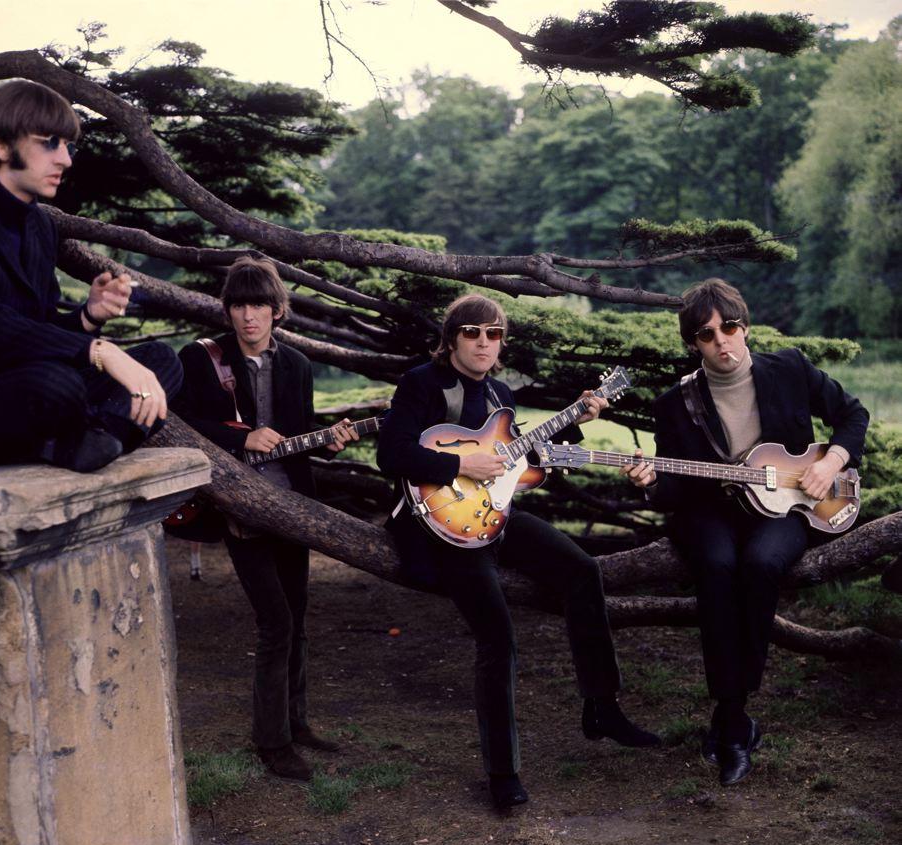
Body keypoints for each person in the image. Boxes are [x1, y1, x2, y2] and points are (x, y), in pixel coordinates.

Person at [377, 293, 659, 810]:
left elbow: (520, 464)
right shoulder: (422, 383)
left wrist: (577, 416)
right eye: (472, 333)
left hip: (495, 516)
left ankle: (601, 706)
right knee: (498, 637)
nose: (484, 342)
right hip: (444, 531)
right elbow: (390, 453)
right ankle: (503, 772)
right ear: (452, 338)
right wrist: (458, 469)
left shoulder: (500, 394)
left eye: (494, 334)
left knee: (581, 570)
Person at [622, 278, 868, 786]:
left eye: (729, 327)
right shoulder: (677, 404)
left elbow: (852, 415)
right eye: (707, 334)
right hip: (709, 510)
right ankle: (734, 721)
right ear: (694, 343)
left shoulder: (790, 370)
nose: (721, 341)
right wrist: (650, 481)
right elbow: (674, 490)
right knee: (716, 566)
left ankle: (731, 715)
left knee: (759, 565)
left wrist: (832, 463)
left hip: (791, 503)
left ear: (745, 327)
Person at [0, 79, 181, 475]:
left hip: (22, 383)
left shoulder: (40, 227)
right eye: (50, 142)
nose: (65, 159)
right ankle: (85, 437)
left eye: (68, 146)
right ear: (0, 145)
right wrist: (101, 351)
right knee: (55, 385)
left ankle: (90, 441)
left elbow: (39, 326)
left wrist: (89, 317)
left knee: (161, 360)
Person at [174, 256, 357, 782]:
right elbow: (181, 424)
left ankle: (296, 723)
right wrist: (241, 437)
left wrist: (330, 439)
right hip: (234, 505)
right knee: (275, 621)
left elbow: (295, 439)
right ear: (227, 309)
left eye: (258, 305)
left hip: (290, 506)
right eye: (238, 305)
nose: (248, 315)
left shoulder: (297, 366)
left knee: (297, 616)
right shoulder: (201, 358)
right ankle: (271, 743)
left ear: (277, 310)